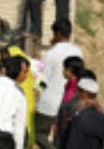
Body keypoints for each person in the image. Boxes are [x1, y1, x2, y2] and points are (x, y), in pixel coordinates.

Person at [35, 19, 82, 149]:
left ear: (58, 34)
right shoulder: (77, 52)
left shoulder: (51, 54)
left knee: (39, 133)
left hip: (48, 102)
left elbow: (43, 81)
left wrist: (35, 92)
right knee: (59, 135)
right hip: (69, 102)